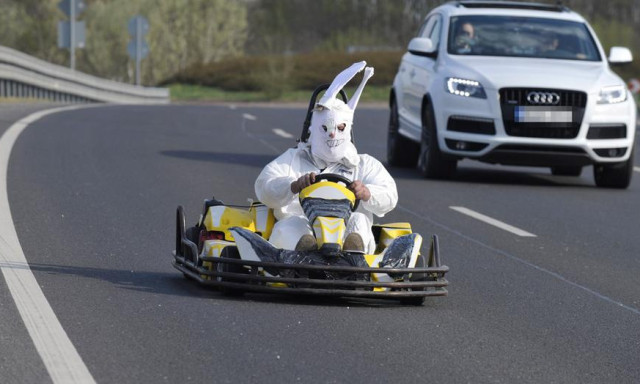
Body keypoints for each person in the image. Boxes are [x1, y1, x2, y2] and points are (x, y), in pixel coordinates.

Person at [254, 61, 398, 254]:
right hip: (302, 225)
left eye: (340, 129)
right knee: (292, 224)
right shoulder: (293, 159)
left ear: (347, 128)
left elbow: (390, 196)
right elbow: (264, 187)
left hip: (345, 228)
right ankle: (306, 255)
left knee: (359, 220)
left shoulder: (364, 164)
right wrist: (293, 185)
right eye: (326, 129)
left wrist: (367, 192)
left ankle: (353, 257)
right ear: (315, 128)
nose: (333, 135)